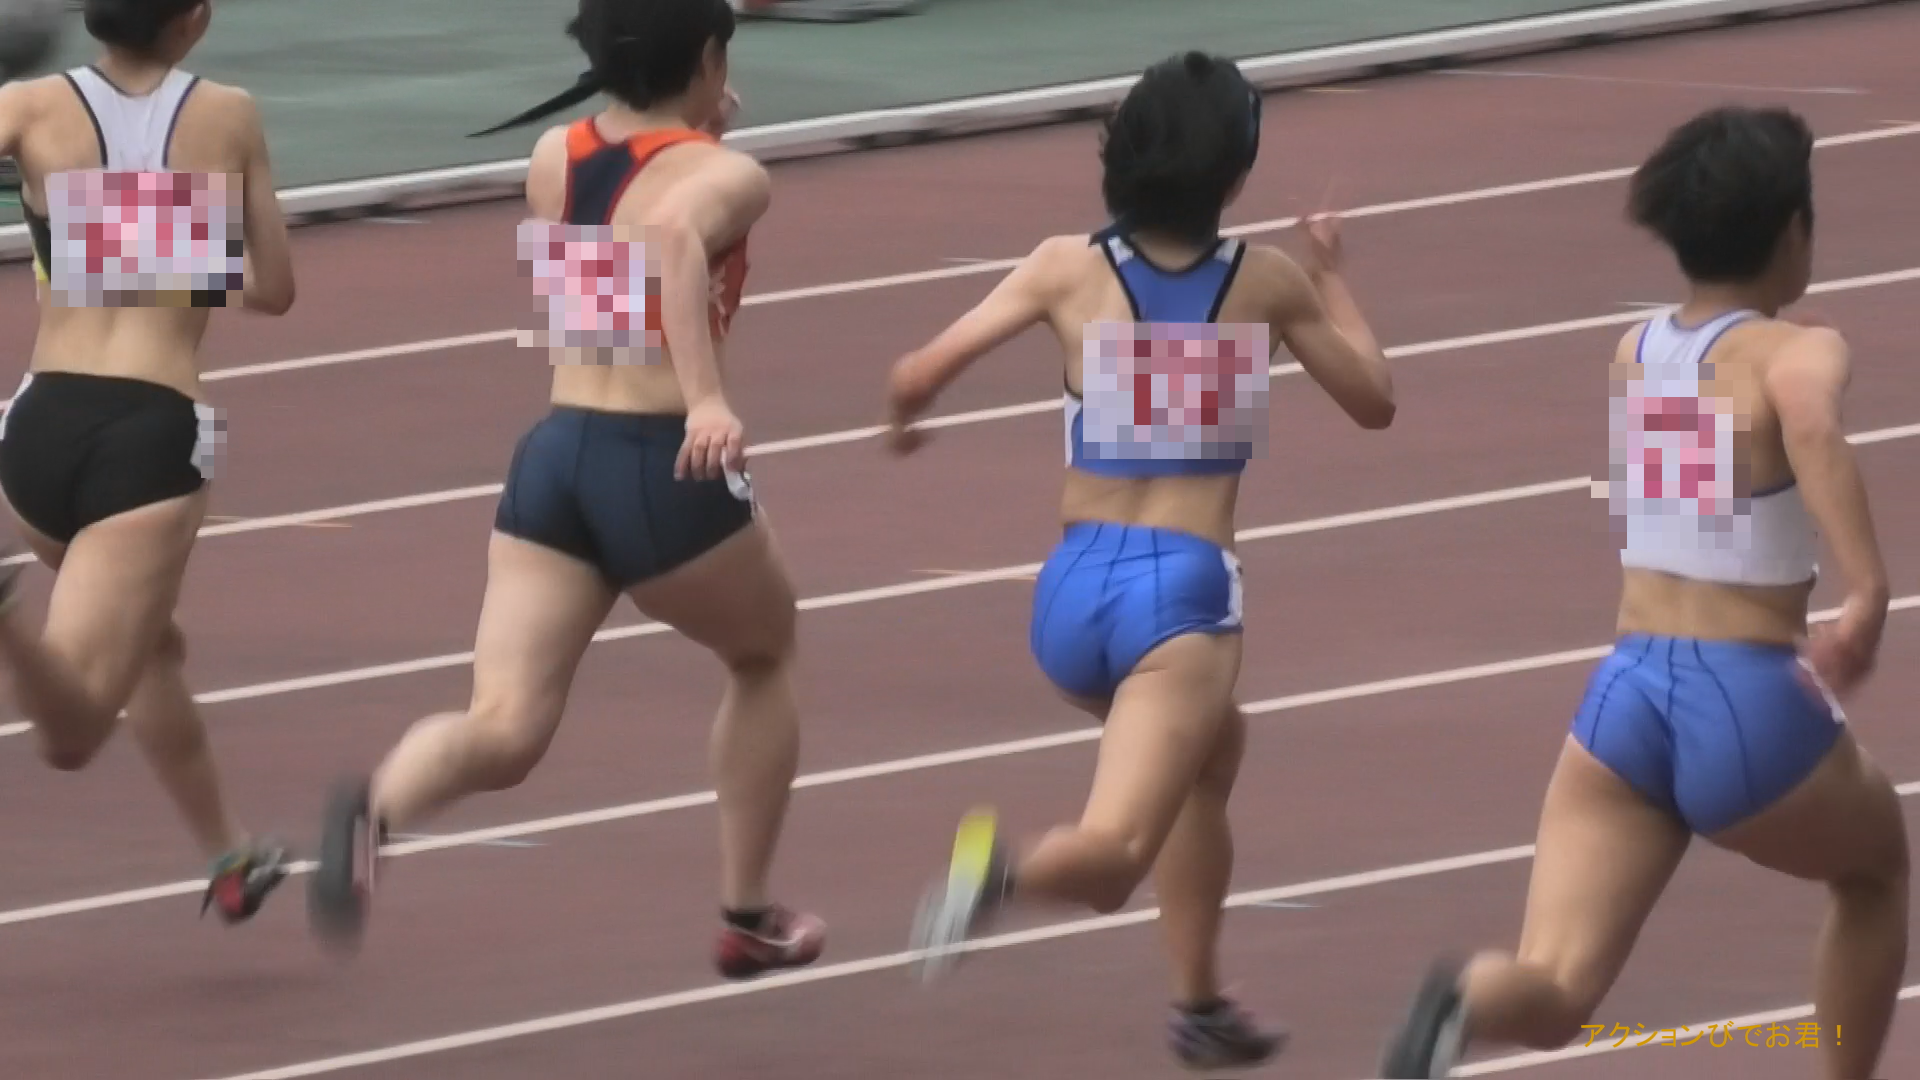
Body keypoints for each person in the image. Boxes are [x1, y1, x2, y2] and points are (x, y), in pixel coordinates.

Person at [885, 51, 1395, 1071]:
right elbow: (1375, 400)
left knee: (1212, 757)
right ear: (1235, 180)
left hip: (1071, 591)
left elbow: (915, 375)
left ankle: (1200, 1003)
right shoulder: (1267, 282)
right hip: (1180, 601)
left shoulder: (1065, 269)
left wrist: (906, 427)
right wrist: (1333, 276)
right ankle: (998, 877)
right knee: (1114, 856)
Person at [1379, 105, 1908, 1080]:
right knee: (1877, 868)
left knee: (1555, 986)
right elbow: (1805, 421)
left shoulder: (1635, 351)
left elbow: (1730, 438)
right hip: (1744, 699)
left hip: (1625, 701)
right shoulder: (1799, 359)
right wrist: (1868, 592)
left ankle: (1465, 1002)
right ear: (1794, 231)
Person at [307, 0, 826, 982]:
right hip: (661, 460)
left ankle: (376, 811)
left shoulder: (554, 154)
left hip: (557, 457)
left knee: (504, 724)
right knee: (765, 653)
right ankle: (747, 915)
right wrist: (707, 400)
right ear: (708, 57)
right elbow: (671, 235)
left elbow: (616, 251)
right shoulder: (733, 179)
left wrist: (696, 132)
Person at [0, 0, 296, 922]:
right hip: (152, 436)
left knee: (152, 648)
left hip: (36, 427)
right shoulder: (229, 112)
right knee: (75, 730)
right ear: (193, 21)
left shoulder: (27, 106)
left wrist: (81, 226)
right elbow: (275, 290)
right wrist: (170, 240)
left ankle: (230, 855)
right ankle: (6, 616)